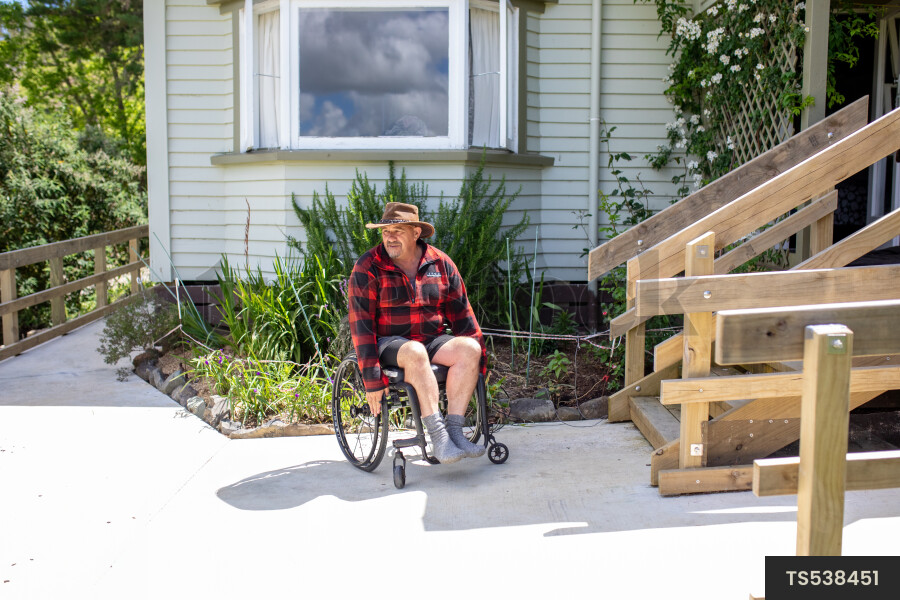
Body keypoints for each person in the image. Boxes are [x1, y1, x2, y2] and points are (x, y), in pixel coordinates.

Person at [348, 202, 486, 464]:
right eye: (385, 231)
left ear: (415, 233)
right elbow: (361, 325)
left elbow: (464, 317)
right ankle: (439, 438)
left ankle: (455, 432)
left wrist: (480, 364)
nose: (390, 237)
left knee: (470, 349)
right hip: (388, 343)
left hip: (431, 339)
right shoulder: (368, 267)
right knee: (414, 351)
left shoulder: (440, 263)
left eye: (397, 230)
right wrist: (372, 378)